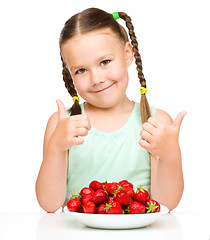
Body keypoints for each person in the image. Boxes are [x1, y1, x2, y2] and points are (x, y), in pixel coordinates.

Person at [35, 8, 186, 213]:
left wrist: (170, 156)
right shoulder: (62, 123)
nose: (96, 79)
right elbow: (49, 204)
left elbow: (166, 204)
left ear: (127, 54)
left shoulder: (154, 121)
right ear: (70, 75)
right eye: (81, 70)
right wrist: (56, 147)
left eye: (105, 62)